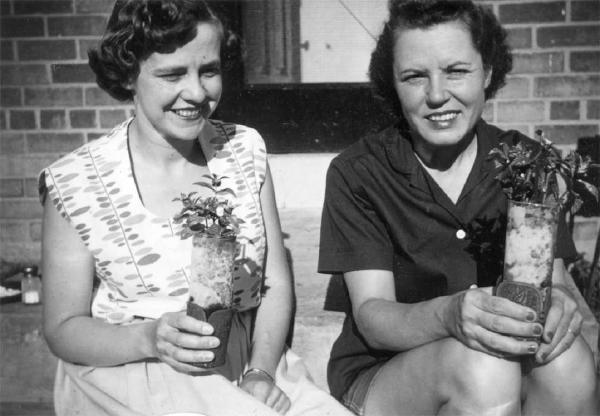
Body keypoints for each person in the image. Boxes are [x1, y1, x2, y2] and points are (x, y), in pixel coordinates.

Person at [39, 1, 352, 415]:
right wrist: (149, 338)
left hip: (247, 363)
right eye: (172, 74)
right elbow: (62, 329)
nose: (197, 92)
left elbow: (274, 282)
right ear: (129, 74)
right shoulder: (75, 181)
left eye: (208, 70)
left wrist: (260, 371)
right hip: (134, 374)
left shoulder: (242, 150)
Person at [318, 1, 599, 415]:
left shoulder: (528, 163)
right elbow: (374, 317)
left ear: (487, 72)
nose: (436, 95)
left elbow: (551, 282)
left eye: (456, 71)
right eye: (415, 77)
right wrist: (449, 315)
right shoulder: (358, 173)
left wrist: (558, 304)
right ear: (392, 85)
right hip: (388, 374)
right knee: (482, 369)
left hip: (503, 363)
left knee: (569, 362)